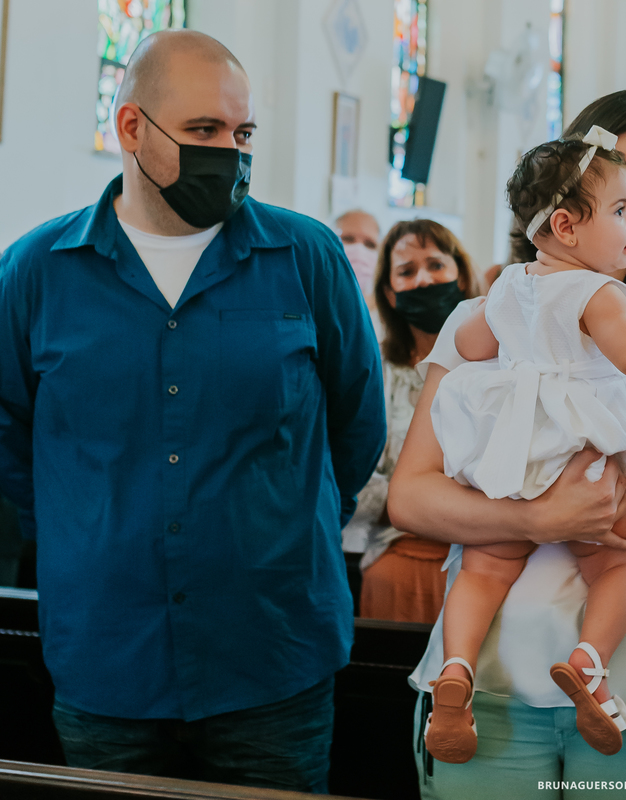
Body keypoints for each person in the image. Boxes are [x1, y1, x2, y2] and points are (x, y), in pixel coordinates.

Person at [0, 31, 386, 792]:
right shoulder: (37, 272)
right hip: (109, 654)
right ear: (132, 128)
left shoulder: (306, 257)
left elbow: (355, 422)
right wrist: (88, 535)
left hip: (272, 651)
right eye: (205, 132)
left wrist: (282, 518)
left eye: (242, 134)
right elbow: (8, 432)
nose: (230, 154)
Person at [390, 89, 626, 800]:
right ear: (567, 202)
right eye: (614, 173)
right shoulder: (489, 317)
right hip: (496, 691)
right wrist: (537, 521)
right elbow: (410, 495)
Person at [353, 219, 480, 624]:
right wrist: (435, 502)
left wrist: (420, 494)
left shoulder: (501, 364)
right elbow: (353, 478)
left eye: (436, 265)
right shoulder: (375, 371)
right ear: (389, 293)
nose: (425, 281)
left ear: (460, 276)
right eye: (407, 272)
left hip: (489, 562)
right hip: (398, 558)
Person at [334, 208, 383, 339]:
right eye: (348, 239)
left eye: (370, 244)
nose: (359, 250)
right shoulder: (309, 305)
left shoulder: (387, 318)